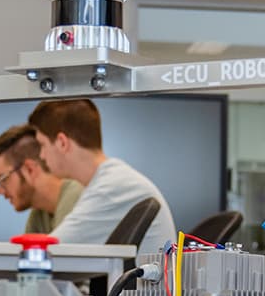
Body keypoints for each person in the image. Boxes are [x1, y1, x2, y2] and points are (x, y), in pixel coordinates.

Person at [27, 98, 176, 257]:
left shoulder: (111, 189)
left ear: (62, 143)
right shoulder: (109, 180)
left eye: (42, 145)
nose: (41, 156)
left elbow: (48, 253)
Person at [0, 124, 84, 235]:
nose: (0, 191)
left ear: (29, 169)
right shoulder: (39, 213)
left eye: (3, 179)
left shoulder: (76, 198)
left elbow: (62, 251)